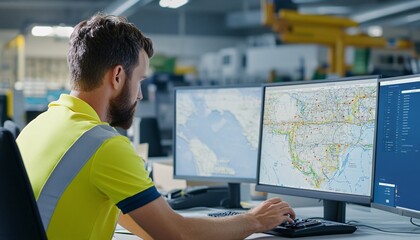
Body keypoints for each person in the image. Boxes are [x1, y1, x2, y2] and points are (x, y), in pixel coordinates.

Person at [16, 13, 296, 240]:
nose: (139, 95)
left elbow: (147, 226)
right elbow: (178, 235)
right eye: (140, 81)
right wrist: (254, 221)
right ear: (117, 76)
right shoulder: (102, 145)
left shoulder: (39, 125)